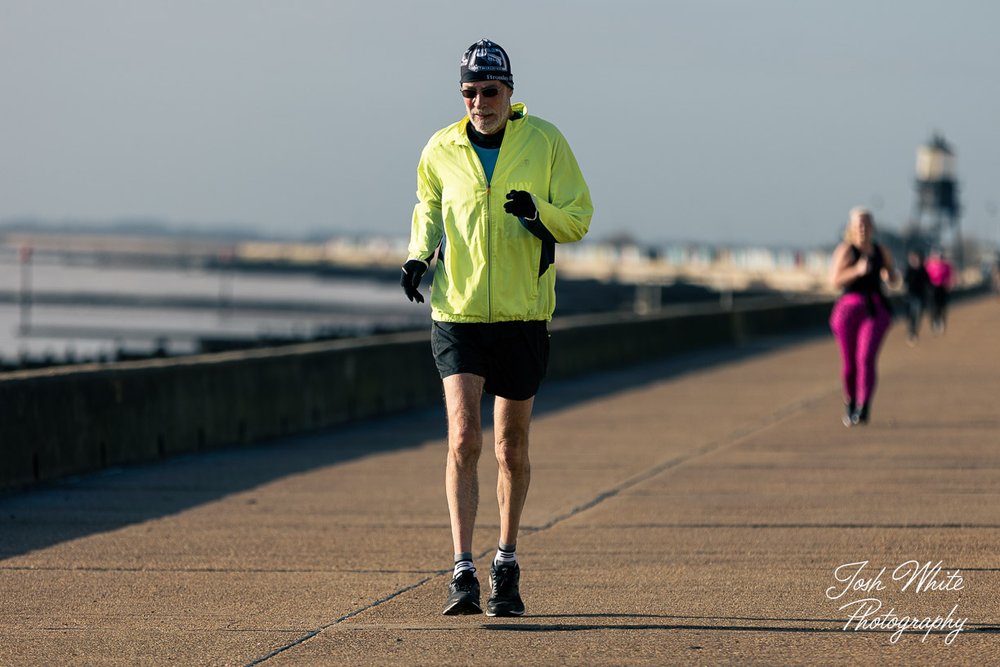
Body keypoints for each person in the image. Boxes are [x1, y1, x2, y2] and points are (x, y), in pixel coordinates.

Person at [400, 38, 593, 617]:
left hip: (523, 314)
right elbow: (428, 210)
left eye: (490, 91)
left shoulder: (546, 142)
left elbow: (579, 217)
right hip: (457, 313)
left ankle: (505, 562)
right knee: (464, 439)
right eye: (469, 93)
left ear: (511, 92)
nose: (479, 102)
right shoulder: (440, 148)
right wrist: (417, 256)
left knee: (510, 447)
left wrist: (538, 215)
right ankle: (462, 570)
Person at [829, 207, 899, 426]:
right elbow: (834, 281)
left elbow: (894, 277)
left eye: (866, 224)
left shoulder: (881, 251)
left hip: (874, 310)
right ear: (850, 227)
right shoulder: (845, 251)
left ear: (873, 227)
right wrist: (856, 271)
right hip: (848, 311)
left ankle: (864, 406)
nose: (862, 228)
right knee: (849, 363)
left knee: (865, 358)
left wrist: (890, 275)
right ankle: (850, 402)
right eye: (858, 224)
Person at [902, 248, 931, 344]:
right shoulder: (909, 270)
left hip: (920, 296)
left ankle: (914, 332)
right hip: (910, 296)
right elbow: (905, 282)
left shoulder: (923, 270)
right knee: (910, 316)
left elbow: (928, 283)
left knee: (917, 314)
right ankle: (911, 332)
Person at [924, 248, 954, 335]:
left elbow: (950, 276)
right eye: (935, 255)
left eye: (939, 256)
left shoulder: (946, 265)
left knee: (942, 307)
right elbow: (924, 277)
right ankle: (934, 322)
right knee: (933, 307)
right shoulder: (928, 265)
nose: (937, 258)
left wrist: (949, 284)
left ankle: (941, 321)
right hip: (931, 289)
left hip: (943, 288)